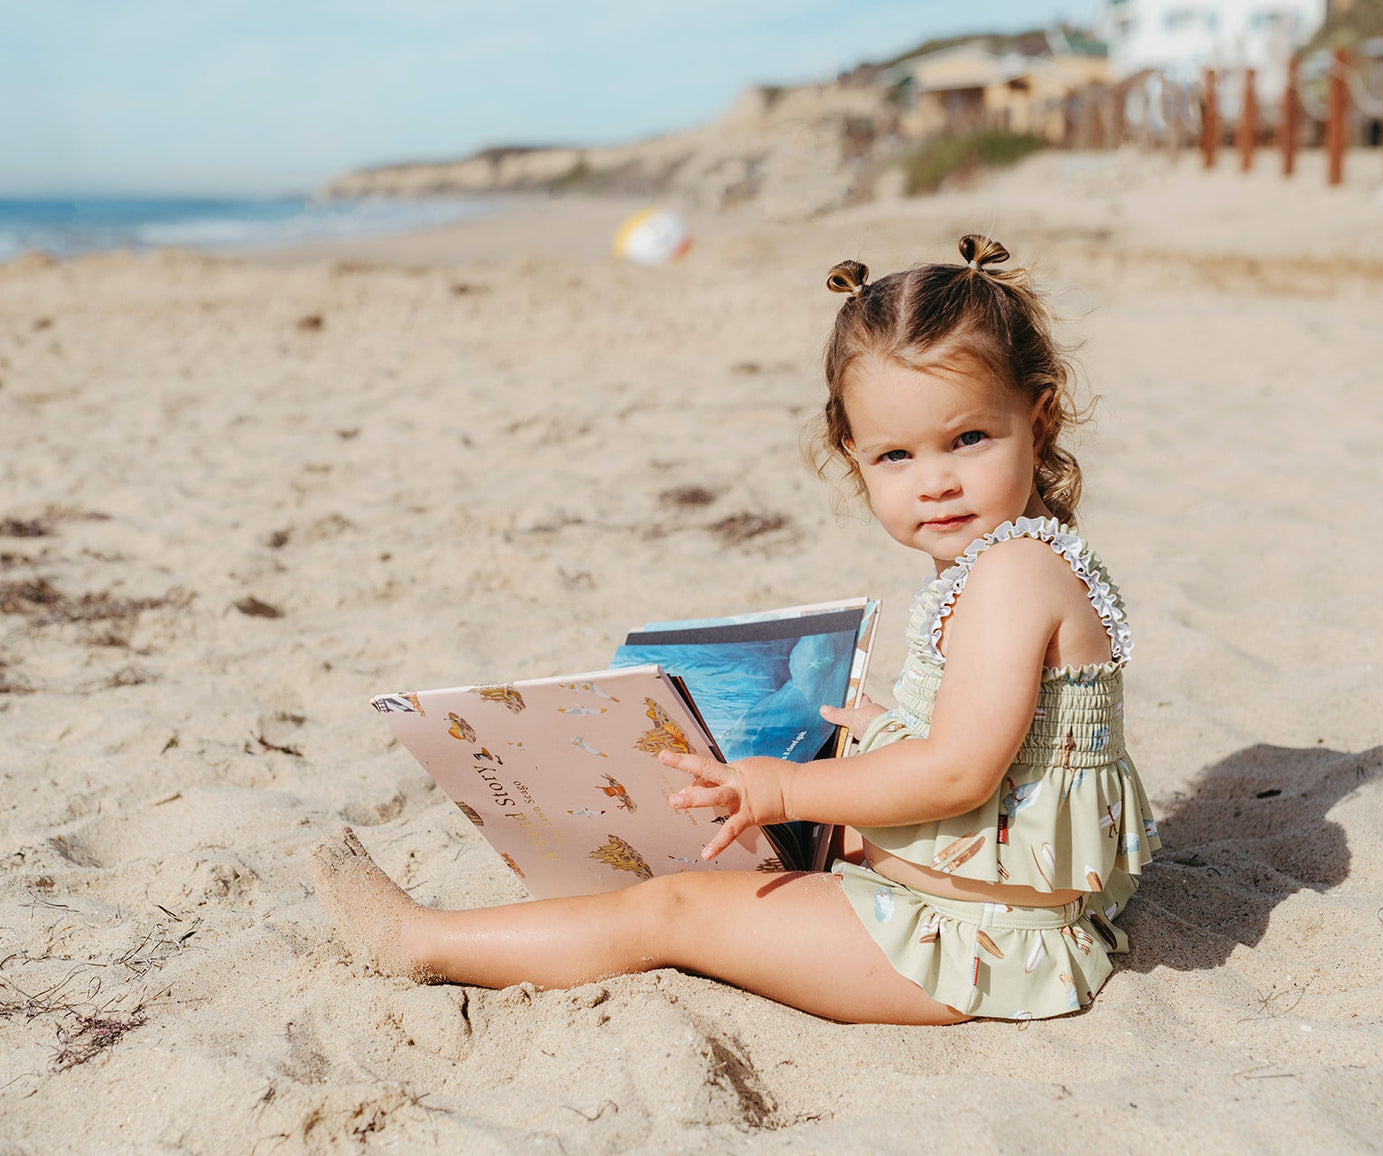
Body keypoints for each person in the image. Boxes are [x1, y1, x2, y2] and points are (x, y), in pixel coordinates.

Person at [310, 233, 1160, 1024]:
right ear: (852, 451)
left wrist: (784, 792)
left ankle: (420, 943)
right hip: (984, 894)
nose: (933, 482)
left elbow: (957, 776)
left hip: (979, 946)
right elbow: (1004, 740)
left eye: (967, 439)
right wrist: (878, 734)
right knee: (784, 790)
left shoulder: (1012, 574)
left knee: (674, 908)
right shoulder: (1005, 553)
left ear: (1037, 419)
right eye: (895, 456)